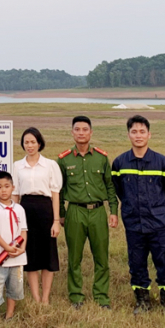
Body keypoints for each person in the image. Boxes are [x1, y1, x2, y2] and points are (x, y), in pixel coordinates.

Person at [111, 116, 165, 315]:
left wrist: (156, 208)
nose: (138, 135)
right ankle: (142, 301)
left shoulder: (163, 163)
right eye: (134, 132)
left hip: (158, 224)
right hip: (133, 224)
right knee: (136, 263)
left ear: (149, 134)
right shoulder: (119, 163)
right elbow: (119, 190)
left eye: (142, 132)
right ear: (128, 135)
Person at [57, 116, 119, 309]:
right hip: (75, 212)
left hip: (98, 212)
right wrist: (61, 213)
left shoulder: (101, 157)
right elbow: (58, 189)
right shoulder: (63, 159)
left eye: (85, 129)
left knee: (101, 256)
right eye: (77, 129)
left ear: (91, 133)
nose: (81, 133)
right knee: (74, 257)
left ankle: (101, 297)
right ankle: (76, 296)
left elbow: (110, 186)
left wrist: (113, 211)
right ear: (72, 133)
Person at [12, 127, 62, 304]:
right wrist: (15, 221)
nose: (30, 145)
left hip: (46, 210)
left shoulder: (50, 165)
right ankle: (36, 296)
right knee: (30, 255)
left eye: (33, 142)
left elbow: (55, 193)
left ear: (39, 143)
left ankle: (46, 297)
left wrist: (56, 221)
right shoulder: (17, 166)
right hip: (25, 210)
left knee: (48, 254)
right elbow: (15, 194)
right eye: (26, 142)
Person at [0, 171, 28, 328]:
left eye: (7, 186)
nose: (3, 190)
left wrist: (22, 248)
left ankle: (9, 316)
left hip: (17, 258)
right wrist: (6, 247)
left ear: (13, 187)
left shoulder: (19, 209)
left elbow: (23, 230)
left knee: (14, 288)